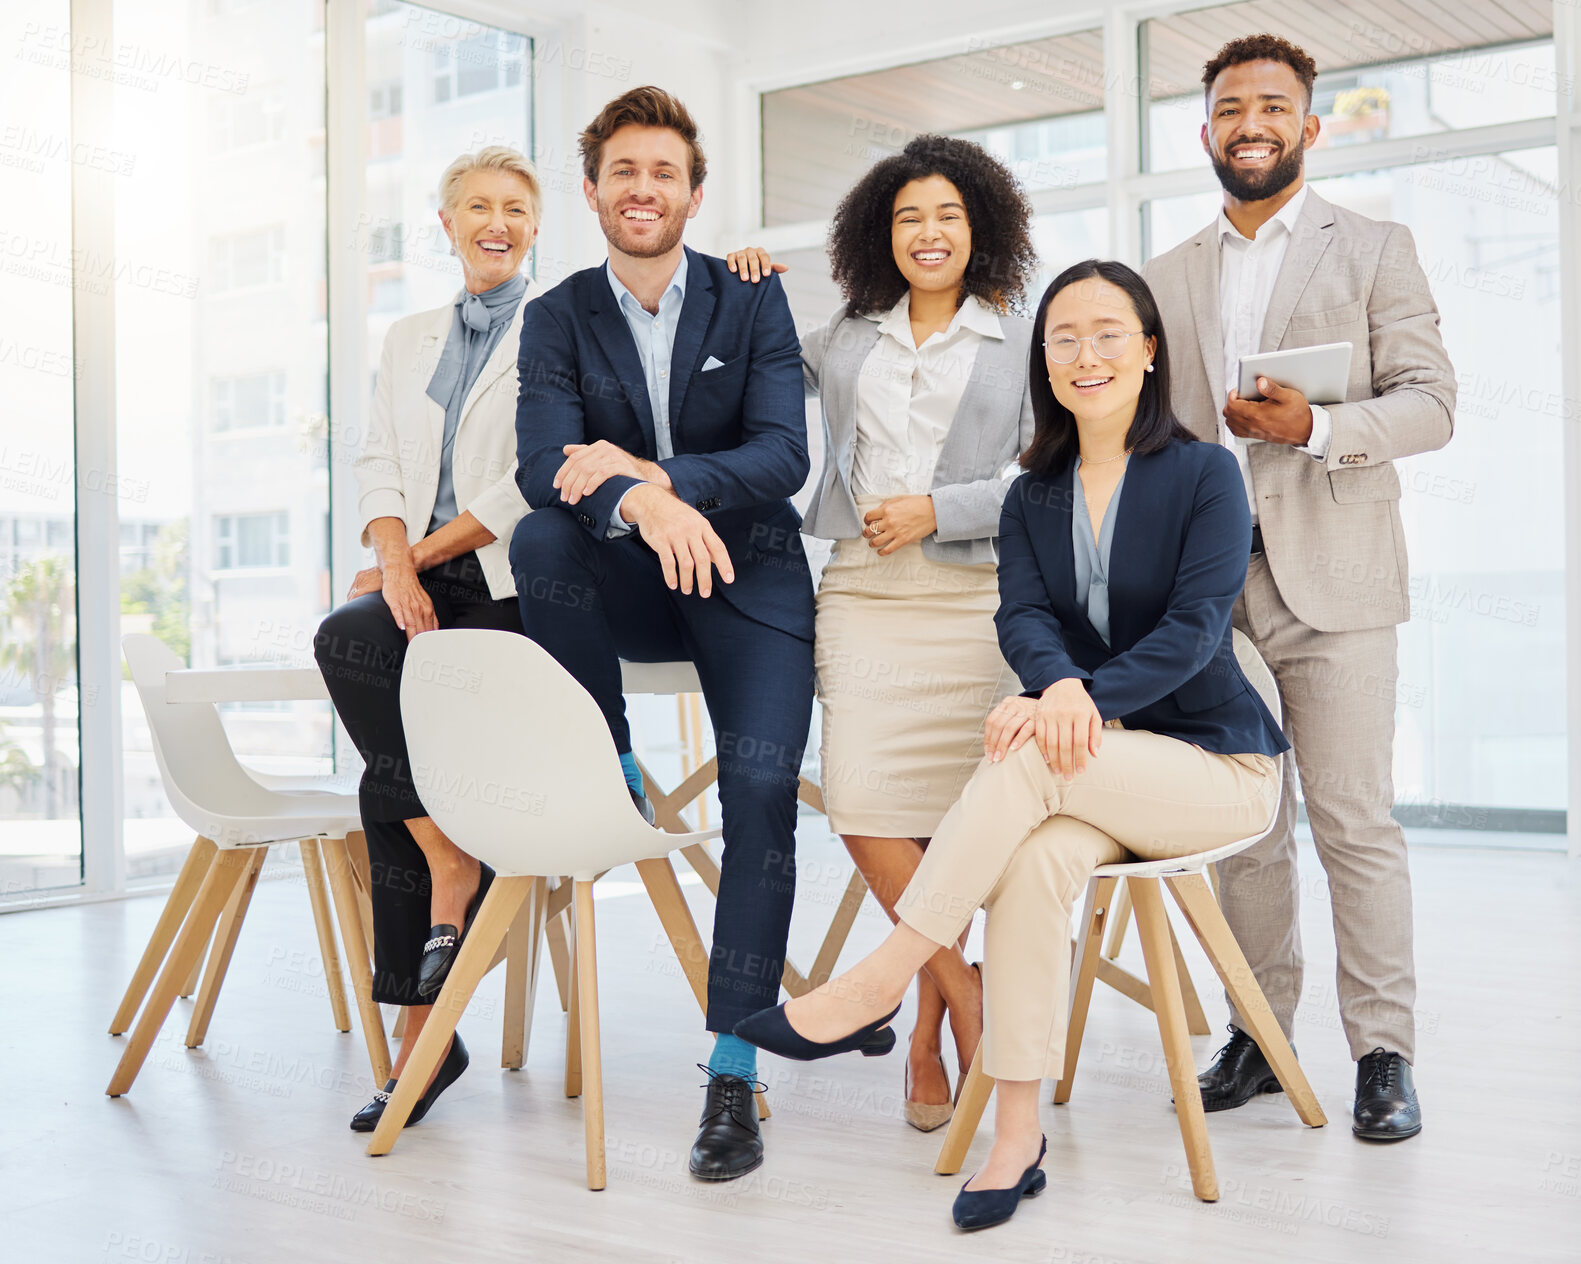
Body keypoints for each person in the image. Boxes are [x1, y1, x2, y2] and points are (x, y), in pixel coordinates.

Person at [735, 259, 1288, 1232]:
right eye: (1064, 337)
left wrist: (1071, 694)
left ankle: (882, 975)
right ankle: (1017, 1134)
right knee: (1029, 866)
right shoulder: (1035, 494)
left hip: (1212, 766)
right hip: (1092, 768)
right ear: (1043, 362)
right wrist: (1056, 686)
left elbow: (1197, 629)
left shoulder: (1203, 474)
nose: (1086, 354)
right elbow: (1024, 621)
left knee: (1024, 753)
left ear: (1149, 350)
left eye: (1109, 333)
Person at [1142, 34, 1454, 1142]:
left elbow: (1432, 402)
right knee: (1246, 825)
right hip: (1208, 593)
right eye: (1232, 109)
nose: (1252, 123)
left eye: (1274, 106)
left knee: (1354, 820)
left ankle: (1382, 1051)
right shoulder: (1167, 272)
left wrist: (1315, 426)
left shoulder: (1375, 247)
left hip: (1340, 576)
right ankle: (1258, 1034)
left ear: (1310, 128)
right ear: (1207, 132)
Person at [507, 87, 814, 1183]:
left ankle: (736, 1059)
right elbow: (543, 462)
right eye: (624, 172)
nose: (644, 189)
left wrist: (656, 476)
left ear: (693, 191)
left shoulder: (750, 300)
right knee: (542, 538)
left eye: (664, 173)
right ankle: (612, 754)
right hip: (631, 572)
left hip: (751, 574)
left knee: (764, 790)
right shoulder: (557, 314)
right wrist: (640, 510)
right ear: (592, 192)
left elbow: (785, 456)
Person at [724, 133, 1037, 1131]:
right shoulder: (847, 336)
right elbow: (750, 369)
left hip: (975, 598)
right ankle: (970, 991)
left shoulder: (1022, 336)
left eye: (947, 214)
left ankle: (929, 1045)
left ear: (979, 227)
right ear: (880, 235)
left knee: (954, 830)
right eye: (909, 217)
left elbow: (1050, 479)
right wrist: (746, 282)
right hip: (860, 590)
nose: (929, 232)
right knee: (859, 802)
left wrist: (943, 509)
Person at [313, 146, 543, 1133]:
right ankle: (449, 871)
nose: (496, 222)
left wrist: (414, 563)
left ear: (535, 225)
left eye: (515, 209)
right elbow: (377, 457)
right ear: (444, 223)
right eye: (477, 207)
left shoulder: (560, 327)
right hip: (413, 566)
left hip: (496, 577)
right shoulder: (407, 337)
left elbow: (530, 475)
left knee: (389, 772)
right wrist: (391, 558)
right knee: (345, 640)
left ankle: (421, 1040)